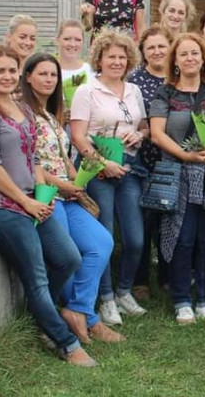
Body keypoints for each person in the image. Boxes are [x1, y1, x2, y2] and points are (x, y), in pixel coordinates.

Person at [0, 45, 96, 367]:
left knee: (68, 258)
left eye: (12, 70)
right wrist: (25, 202)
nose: (7, 76)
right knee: (36, 275)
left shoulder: (20, 108)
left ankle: (39, 315)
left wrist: (40, 196)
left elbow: (32, 158)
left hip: (28, 201)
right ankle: (65, 342)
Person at [20, 52, 123, 345]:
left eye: (53, 74)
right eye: (42, 74)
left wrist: (77, 180)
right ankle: (86, 318)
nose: (49, 79)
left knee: (101, 243)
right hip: (47, 195)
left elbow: (62, 155)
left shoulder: (51, 114)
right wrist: (61, 185)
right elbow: (30, 162)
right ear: (28, 77)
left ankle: (78, 310)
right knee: (67, 255)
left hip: (68, 194)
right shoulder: (22, 113)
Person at [150, 34, 205, 325]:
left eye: (195, 53)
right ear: (175, 60)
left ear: (203, 59)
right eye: (184, 54)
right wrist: (185, 156)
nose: (190, 58)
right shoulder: (165, 93)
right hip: (180, 175)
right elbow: (157, 133)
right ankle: (181, 301)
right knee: (182, 238)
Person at [70, 30, 149, 326]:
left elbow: (144, 126)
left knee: (135, 239)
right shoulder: (86, 91)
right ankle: (105, 298)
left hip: (128, 167)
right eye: (111, 56)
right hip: (98, 169)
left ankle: (123, 291)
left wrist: (139, 134)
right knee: (103, 236)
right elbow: (78, 137)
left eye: (122, 57)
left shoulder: (134, 90)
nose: (117, 62)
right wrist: (103, 163)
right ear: (99, 59)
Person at [127, 25, 172, 300]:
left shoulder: (178, 77)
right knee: (142, 220)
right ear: (143, 52)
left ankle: (167, 276)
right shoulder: (134, 82)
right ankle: (140, 280)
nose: (157, 51)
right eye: (151, 47)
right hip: (142, 160)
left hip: (173, 159)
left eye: (161, 46)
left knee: (168, 220)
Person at [56, 19, 94, 85]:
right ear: (57, 40)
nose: (72, 44)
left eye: (78, 40)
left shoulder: (90, 71)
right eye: (67, 39)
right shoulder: (49, 70)